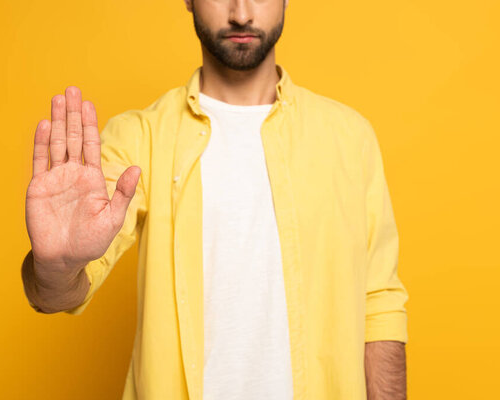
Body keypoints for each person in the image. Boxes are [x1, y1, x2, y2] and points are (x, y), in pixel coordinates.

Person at [21, 0, 409, 399]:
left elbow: (380, 306)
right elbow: (58, 293)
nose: (241, 13)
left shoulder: (350, 137)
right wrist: (55, 267)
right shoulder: (138, 138)